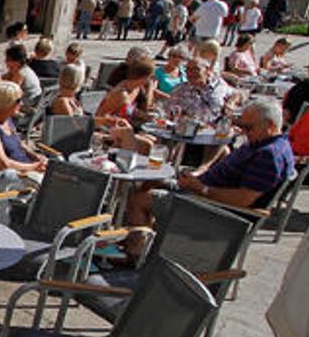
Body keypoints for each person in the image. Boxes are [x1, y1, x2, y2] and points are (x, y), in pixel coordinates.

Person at [125, 100, 294, 239]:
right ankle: (153, 238)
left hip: (214, 211)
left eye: (248, 128)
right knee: (149, 182)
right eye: (241, 126)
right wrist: (199, 176)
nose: (243, 132)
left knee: (138, 199)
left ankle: (137, 252)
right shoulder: (263, 142)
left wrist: (201, 188)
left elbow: (243, 200)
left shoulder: (269, 155)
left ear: (271, 126)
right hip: (202, 193)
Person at [0, 81, 47, 175]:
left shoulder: (7, 120)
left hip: (24, 170)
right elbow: (3, 164)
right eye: (18, 101)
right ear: (6, 103)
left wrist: (36, 156)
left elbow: (19, 144)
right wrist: (34, 167)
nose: (21, 104)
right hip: (6, 177)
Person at [2, 43, 42, 120]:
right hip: (34, 102)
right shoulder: (25, 69)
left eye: (8, 60)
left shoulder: (20, 74)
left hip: (27, 106)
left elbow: (11, 93)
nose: (5, 62)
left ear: (17, 62)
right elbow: (4, 77)